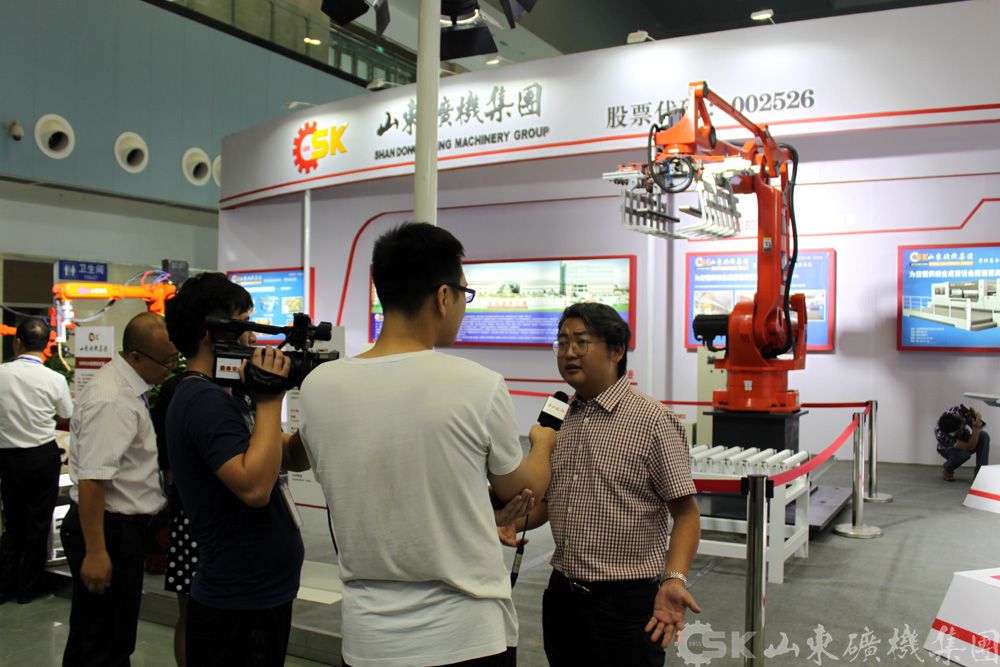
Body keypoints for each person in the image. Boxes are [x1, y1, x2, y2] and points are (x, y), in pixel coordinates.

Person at [297, 222, 556, 667]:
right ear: (443, 296)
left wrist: (471, 513)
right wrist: (543, 443)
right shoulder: (478, 385)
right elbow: (523, 490)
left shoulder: (319, 387)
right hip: (465, 637)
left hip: (367, 641)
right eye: (464, 294)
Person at [506, 302, 702, 666]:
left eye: (581, 342)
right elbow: (550, 503)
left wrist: (674, 579)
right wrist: (511, 522)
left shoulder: (653, 421)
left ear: (616, 350)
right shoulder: (559, 419)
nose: (569, 353)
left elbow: (686, 515)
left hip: (625, 606)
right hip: (563, 598)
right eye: (562, 342)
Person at [164, 272, 309, 667]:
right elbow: (255, 488)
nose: (252, 337)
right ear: (210, 334)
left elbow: (290, 455)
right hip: (238, 601)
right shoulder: (203, 400)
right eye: (244, 324)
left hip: (257, 594)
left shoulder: (225, 396)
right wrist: (269, 399)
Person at [61, 312, 175, 666]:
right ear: (136, 357)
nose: (171, 369)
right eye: (166, 362)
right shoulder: (112, 399)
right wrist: (97, 552)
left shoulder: (129, 387)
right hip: (108, 529)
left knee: (101, 635)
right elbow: (93, 480)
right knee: (104, 642)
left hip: (119, 529)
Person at [0, 318, 73, 604]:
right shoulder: (55, 379)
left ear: (16, 342)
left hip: (8, 458)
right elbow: (65, 413)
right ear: (45, 346)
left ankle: (4, 586)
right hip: (43, 457)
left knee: (13, 523)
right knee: (38, 523)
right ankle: (27, 589)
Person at [936, 404, 990, 481]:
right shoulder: (942, 436)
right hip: (947, 448)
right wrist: (976, 427)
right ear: (954, 431)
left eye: (961, 419)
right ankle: (948, 468)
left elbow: (977, 414)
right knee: (963, 455)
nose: (964, 420)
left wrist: (977, 418)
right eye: (962, 423)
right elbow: (970, 446)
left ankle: (980, 474)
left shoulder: (957, 410)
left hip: (963, 436)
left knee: (984, 436)